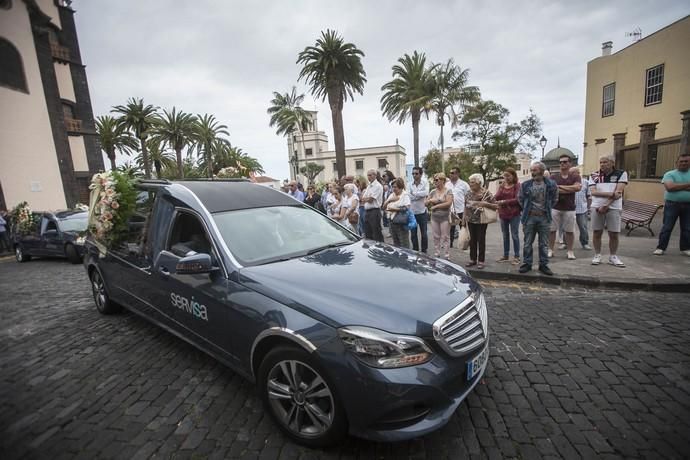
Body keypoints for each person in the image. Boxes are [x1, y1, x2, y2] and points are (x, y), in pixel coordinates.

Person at [518, 162, 558, 275]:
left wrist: (546, 209)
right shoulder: (525, 185)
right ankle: (527, 263)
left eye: (534, 170)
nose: (532, 172)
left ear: (541, 170)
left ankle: (543, 264)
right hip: (529, 217)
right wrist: (527, 209)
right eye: (531, 170)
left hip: (544, 217)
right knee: (527, 242)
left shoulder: (551, 184)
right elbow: (520, 199)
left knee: (543, 243)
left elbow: (555, 199)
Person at [589, 155, 627, 267]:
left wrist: (606, 205)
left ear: (612, 163)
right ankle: (597, 254)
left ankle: (613, 256)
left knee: (614, 233)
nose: (602, 164)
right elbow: (594, 192)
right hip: (596, 206)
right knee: (597, 232)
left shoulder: (621, 174)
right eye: (601, 162)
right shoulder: (594, 175)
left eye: (605, 162)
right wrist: (611, 194)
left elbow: (619, 192)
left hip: (614, 207)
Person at [654, 152, 690, 256]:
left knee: (687, 228)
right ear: (676, 163)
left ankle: (686, 248)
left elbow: (674, 187)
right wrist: (688, 185)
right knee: (667, 227)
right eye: (681, 161)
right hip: (672, 205)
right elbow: (670, 188)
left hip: (688, 205)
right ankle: (661, 247)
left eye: (686, 161)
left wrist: (677, 186)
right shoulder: (670, 174)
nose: (683, 163)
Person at [549, 155, 581, 260]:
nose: (562, 164)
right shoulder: (553, 177)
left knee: (569, 231)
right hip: (555, 206)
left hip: (569, 207)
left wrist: (560, 187)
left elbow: (577, 188)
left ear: (570, 163)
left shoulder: (575, 176)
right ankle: (550, 249)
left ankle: (570, 251)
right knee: (552, 230)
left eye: (565, 162)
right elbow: (553, 190)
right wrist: (569, 189)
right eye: (561, 162)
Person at [464, 174, 497, 269]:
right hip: (470, 220)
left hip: (481, 220)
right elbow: (465, 206)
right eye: (470, 182)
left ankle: (481, 260)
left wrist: (485, 204)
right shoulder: (468, 193)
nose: (470, 184)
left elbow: (495, 206)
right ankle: (472, 259)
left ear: (479, 183)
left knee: (481, 240)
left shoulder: (486, 193)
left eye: (473, 182)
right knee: (472, 240)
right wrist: (463, 219)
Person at [494, 168, 521, 264]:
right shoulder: (502, 186)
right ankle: (505, 255)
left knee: (515, 235)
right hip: (503, 214)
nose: (506, 178)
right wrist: (490, 198)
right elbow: (497, 196)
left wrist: (504, 201)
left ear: (513, 176)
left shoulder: (517, 186)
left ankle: (517, 256)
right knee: (505, 235)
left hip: (514, 214)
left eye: (508, 175)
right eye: (505, 176)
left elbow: (517, 199)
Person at [425, 173, 454, 259]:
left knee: (445, 237)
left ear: (443, 181)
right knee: (436, 236)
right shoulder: (433, 191)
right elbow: (425, 203)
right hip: (434, 217)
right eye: (434, 180)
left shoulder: (448, 191)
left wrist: (436, 205)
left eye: (437, 180)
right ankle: (437, 253)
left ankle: (446, 254)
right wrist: (430, 200)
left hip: (444, 217)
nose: (435, 181)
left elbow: (448, 203)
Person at [446, 168, 470, 247]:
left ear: (458, 174)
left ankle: (463, 243)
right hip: (451, 210)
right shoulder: (447, 184)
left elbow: (468, 196)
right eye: (450, 173)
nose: (451, 174)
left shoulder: (464, 184)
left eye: (453, 173)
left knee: (463, 227)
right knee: (451, 228)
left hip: (461, 210)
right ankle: (450, 244)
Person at [384, 178, 411, 248]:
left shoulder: (405, 195)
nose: (393, 188)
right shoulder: (391, 195)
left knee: (404, 244)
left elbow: (407, 208)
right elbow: (383, 207)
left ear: (400, 186)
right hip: (391, 222)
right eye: (392, 187)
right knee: (396, 244)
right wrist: (389, 200)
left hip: (400, 222)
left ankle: (405, 258)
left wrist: (394, 209)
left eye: (395, 187)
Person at [408, 166, 429, 253]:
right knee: (413, 234)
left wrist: (414, 194)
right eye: (413, 173)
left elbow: (426, 193)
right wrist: (418, 195)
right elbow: (408, 195)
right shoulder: (409, 184)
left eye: (416, 173)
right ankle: (415, 250)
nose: (414, 175)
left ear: (421, 174)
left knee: (424, 233)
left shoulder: (425, 183)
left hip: (422, 211)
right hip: (412, 212)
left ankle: (424, 251)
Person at [362, 169, 384, 242]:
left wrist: (367, 198)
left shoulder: (377, 186)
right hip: (367, 211)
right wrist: (367, 198)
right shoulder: (369, 186)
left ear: (375, 175)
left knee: (376, 232)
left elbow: (371, 199)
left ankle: (380, 249)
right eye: (368, 175)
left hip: (375, 211)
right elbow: (363, 198)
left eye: (370, 175)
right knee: (368, 233)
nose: (369, 177)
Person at [573, 167, 592, 250]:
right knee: (566, 227)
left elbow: (589, 197)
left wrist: (588, 208)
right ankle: (565, 243)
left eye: (573, 173)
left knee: (583, 227)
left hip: (582, 209)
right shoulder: (569, 182)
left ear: (578, 173)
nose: (571, 175)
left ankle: (585, 243)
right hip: (570, 209)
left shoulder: (586, 182)